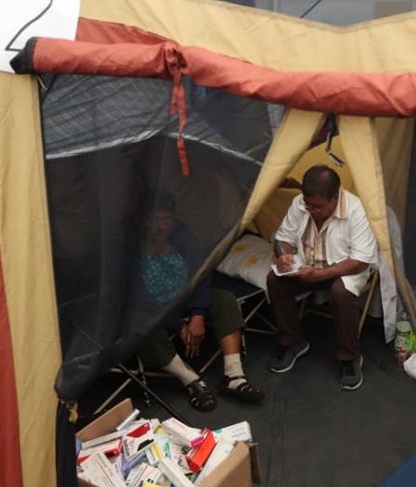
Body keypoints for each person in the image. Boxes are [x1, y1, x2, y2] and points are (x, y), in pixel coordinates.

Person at [134, 199, 262, 410]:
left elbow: (202, 273)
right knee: (141, 324)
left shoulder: (183, 237)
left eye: (166, 220)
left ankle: (233, 375)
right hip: (153, 308)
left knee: (224, 299)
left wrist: (197, 314)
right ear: (142, 220)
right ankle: (190, 380)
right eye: (154, 220)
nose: (160, 227)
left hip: (185, 297)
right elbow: (138, 298)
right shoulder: (130, 250)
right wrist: (179, 325)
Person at [267, 165, 377, 390]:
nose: (311, 210)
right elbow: (283, 237)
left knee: (340, 292)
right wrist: (283, 255)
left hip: (345, 268)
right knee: (275, 280)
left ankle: (349, 356)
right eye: (308, 205)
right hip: (308, 265)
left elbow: (360, 261)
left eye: (317, 206)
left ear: (335, 197)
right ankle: (293, 342)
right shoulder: (300, 204)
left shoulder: (357, 210)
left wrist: (320, 275)